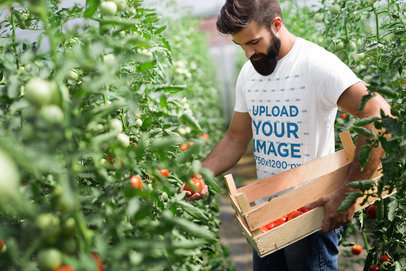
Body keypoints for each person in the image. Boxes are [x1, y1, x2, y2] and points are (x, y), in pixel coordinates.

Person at [180, 0, 392, 270]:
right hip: (266, 217)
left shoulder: (314, 64)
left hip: (310, 217)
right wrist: (200, 173)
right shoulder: (249, 73)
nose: (247, 53)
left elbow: (378, 112)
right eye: (240, 45)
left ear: (276, 24)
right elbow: (235, 138)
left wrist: (350, 191)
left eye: (253, 42)